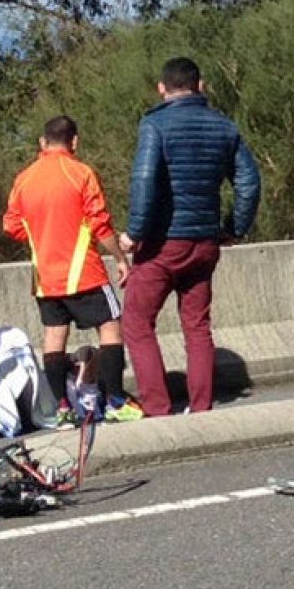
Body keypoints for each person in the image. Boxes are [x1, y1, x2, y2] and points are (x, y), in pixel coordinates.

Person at [118, 57, 261, 417]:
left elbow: (144, 180)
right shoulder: (225, 126)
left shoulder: (154, 124)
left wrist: (135, 232)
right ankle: (201, 407)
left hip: (163, 244)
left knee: (137, 322)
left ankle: (158, 408)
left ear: (161, 89)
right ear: (201, 85)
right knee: (197, 325)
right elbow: (248, 182)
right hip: (205, 241)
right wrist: (234, 228)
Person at [2, 115, 140, 423]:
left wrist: (41, 236)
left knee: (54, 335)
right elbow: (100, 224)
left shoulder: (24, 178)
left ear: (43, 142)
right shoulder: (81, 173)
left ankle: (62, 409)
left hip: (45, 276)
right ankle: (116, 401)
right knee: (110, 326)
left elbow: (11, 225)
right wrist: (120, 258)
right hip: (83, 271)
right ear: (74, 141)